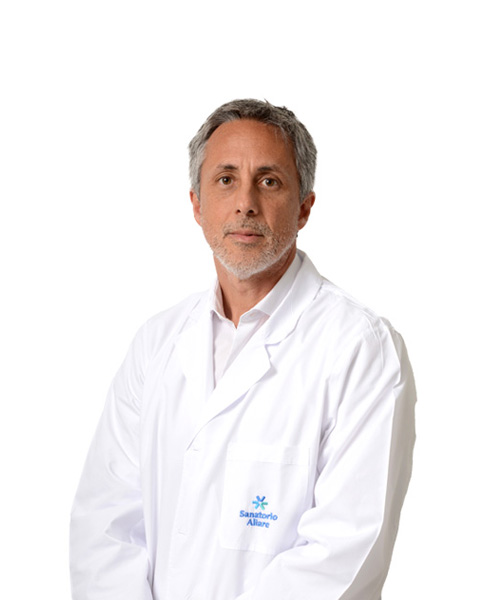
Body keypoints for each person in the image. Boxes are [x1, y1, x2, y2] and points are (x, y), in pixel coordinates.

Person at [70, 99, 416, 600]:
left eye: (269, 181)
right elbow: (105, 528)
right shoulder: (156, 343)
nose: (245, 203)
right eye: (226, 179)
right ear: (197, 204)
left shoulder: (360, 348)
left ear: (304, 207)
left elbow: (342, 553)